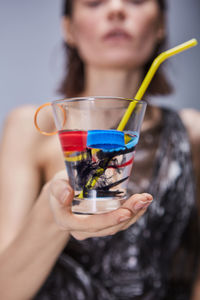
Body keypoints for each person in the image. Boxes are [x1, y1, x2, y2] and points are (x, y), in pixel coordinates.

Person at [0, 0, 199, 299]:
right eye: (94, 2)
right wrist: (52, 214)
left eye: (135, 1)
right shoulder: (28, 128)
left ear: (160, 25)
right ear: (69, 29)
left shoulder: (192, 132)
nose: (116, 10)